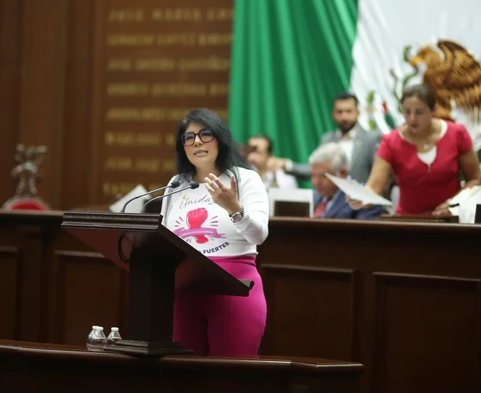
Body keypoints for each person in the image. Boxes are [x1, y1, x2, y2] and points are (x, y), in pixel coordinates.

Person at [160, 108, 269, 356]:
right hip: (184, 292)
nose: (196, 141)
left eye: (205, 134)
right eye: (189, 137)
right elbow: (164, 240)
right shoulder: (176, 184)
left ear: (221, 138)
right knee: (185, 381)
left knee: (229, 381)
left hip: (234, 289)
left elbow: (259, 235)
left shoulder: (244, 179)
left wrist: (233, 207)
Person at [353, 84, 481, 214]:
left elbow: (475, 178)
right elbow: (374, 186)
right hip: (409, 221)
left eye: (419, 112)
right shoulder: (391, 141)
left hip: (452, 217)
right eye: (407, 112)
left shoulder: (456, 134)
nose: (412, 118)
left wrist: (453, 204)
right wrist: (360, 196)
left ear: (433, 110)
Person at [268, 92, 381, 184]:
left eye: (348, 111)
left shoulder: (371, 139)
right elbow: (314, 170)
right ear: (333, 114)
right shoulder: (327, 139)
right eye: (340, 112)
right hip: (331, 204)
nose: (344, 117)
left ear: (358, 112)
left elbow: (379, 175)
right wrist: (287, 165)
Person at [309, 143, 383, 220]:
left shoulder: (363, 201)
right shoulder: (314, 197)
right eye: (313, 175)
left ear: (342, 173)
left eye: (323, 176)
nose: (316, 182)